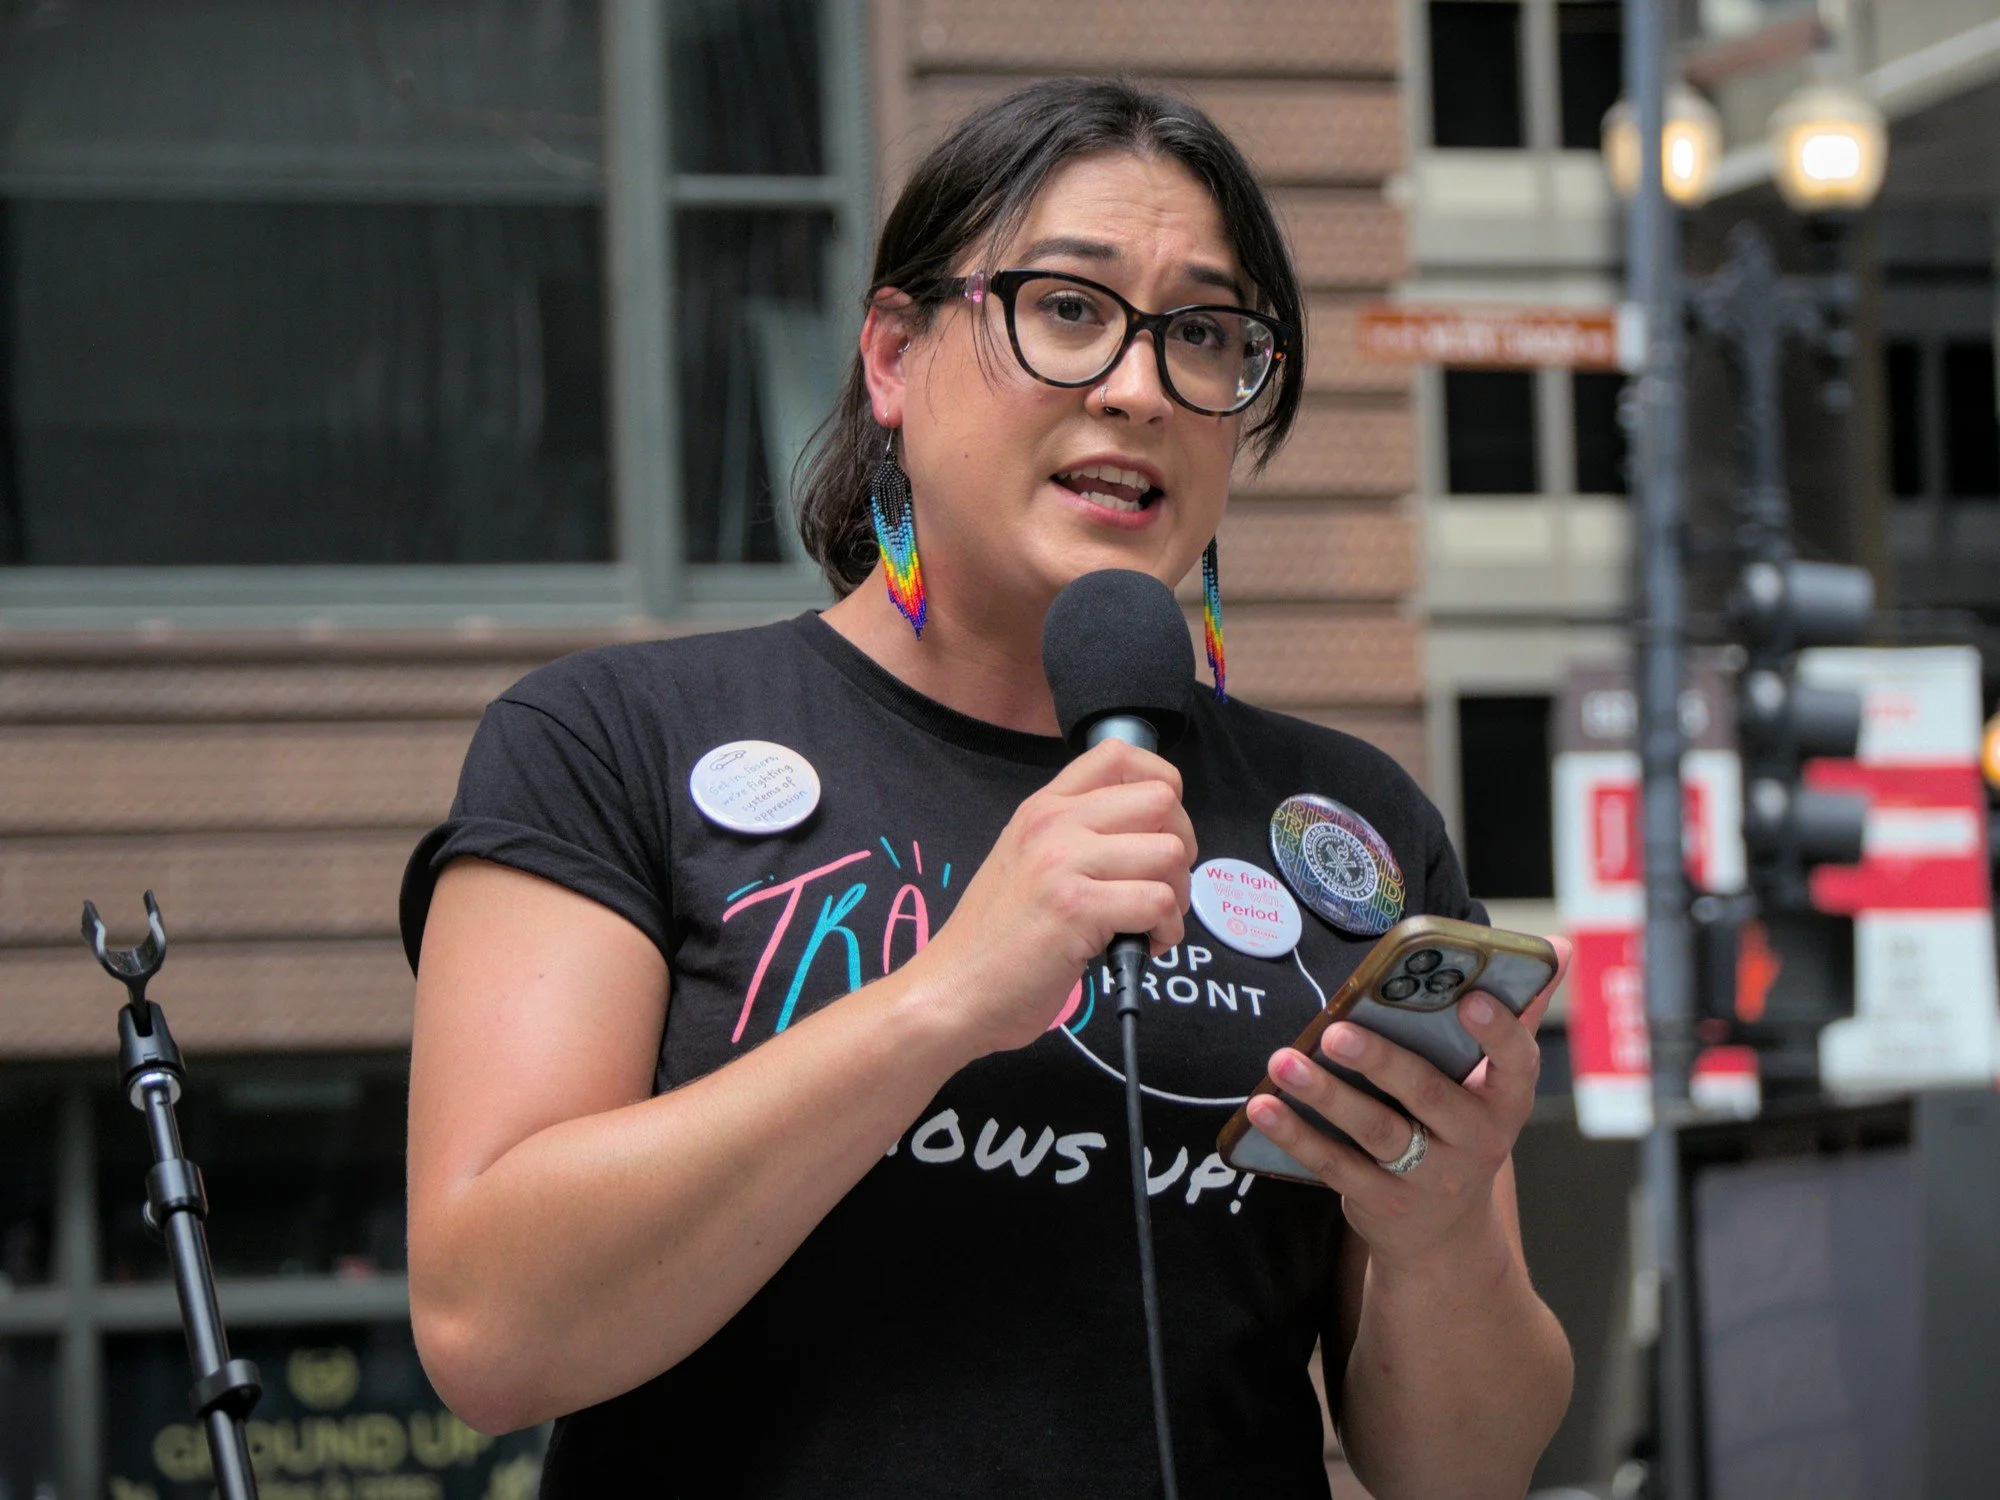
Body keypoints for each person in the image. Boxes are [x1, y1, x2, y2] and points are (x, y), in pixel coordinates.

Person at [401, 76, 1574, 1499]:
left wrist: (1446, 1236)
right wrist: (947, 998)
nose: (1139, 386)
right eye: (1068, 308)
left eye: (1204, 334)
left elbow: (1464, 1474)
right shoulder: (610, 740)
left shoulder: (1348, 824)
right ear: (893, 356)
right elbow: (488, 1329)